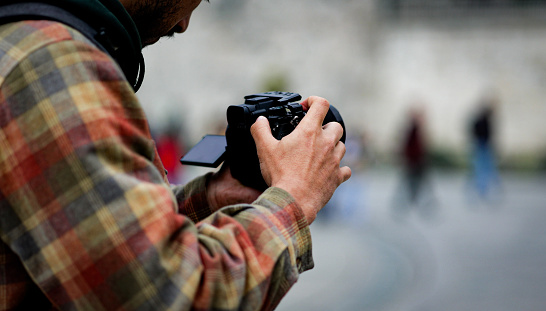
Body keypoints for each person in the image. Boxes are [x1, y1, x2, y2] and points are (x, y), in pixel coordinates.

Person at [0, 0, 351, 310]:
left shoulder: (27, 36)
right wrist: (294, 199)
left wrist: (208, 197)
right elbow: (167, 295)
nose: (184, 24)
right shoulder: (54, 65)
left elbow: (82, 235)